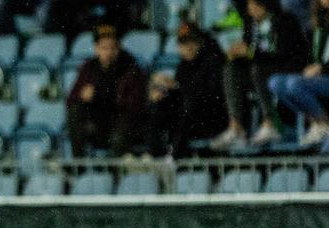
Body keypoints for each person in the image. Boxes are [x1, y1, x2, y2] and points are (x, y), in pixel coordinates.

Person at [212, 0, 307, 149]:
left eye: (255, 6)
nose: (251, 11)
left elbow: (282, 54)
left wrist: (250, 53)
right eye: (249, 7)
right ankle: (236, 127)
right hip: (258, 71)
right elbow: (249, 49)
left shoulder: (284, 21)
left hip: (283, 69)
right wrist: (237, 53)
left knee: (258, 68)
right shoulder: (250, 23)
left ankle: (270, 123)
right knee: (231, 69)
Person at [268, 0, 329, 148]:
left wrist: (322, 68)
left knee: (295, 84)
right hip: (320, 77)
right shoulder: (319, 18)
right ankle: (316, 121)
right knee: (276, 82)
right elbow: (309, 55)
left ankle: (325, 122)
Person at [146, 22, 229, 157]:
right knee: (159, 103)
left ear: (200, 42)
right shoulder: (183, 66)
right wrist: (164, 90)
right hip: (189, 119)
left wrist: (177, 87)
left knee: (187, 106)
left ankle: (173, 156)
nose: (187, 47)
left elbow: (211, 94)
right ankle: (153, 155)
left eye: (191, 42)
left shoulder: (213, 62)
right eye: (183, 43)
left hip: (211, 118)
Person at [66, 25, 146, 158]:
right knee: (75, 112)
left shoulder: (130, 67)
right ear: (96, 48)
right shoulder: (89, 67)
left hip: (121, 121)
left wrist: (101, 94)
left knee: (119, 134)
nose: (108, 53)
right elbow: (71, 98)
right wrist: (82, 96)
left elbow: (134, 104)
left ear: (119, 47)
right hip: (99, 121)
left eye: (113, 48)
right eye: (104, 48)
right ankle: (78, 169)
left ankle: (114, 176)